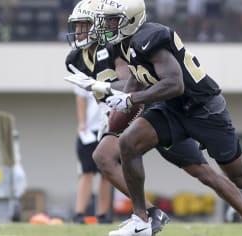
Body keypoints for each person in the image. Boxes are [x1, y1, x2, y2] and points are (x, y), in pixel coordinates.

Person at [91, 1, 242, 235]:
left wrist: (131, 100)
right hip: (173, 108)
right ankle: (141, 219)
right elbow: (138, 79)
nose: (106, 25)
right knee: (129, 142)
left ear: (131, 20)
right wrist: (112, 95)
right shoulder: (125, 44)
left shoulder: (148, 38)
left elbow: (175, 84)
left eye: (112, 20)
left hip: (204, 109)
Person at [64, 0, 170, 232]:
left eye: (84, 25)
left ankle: (146, 213)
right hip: (112, 113)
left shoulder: (112, 48)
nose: (79, 31)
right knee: (103, 160)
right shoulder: (75, 60)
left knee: (200, 169)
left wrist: (100, 87)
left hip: (139, 109)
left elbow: (131, 85)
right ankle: (147, 213)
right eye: (77, 26)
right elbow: (91, 96)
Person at [72, 85, 113, 224]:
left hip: (109, 129)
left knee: (107, 174)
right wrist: (82, 123)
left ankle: (102, 214)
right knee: (87, 172)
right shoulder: (86, 71)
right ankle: (79, 213)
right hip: (90, 130)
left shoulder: (115, 70)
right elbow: (81, 97)